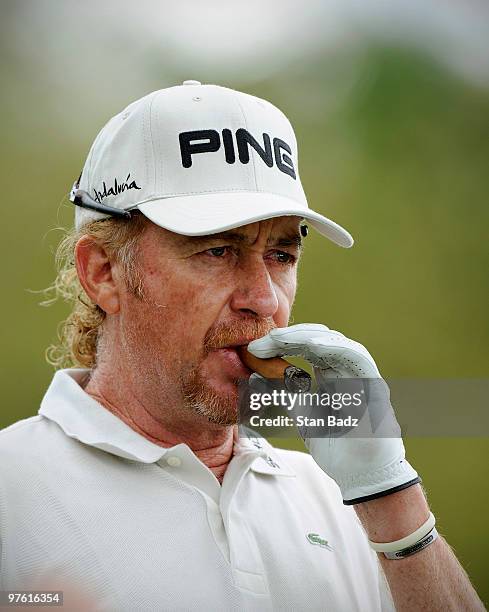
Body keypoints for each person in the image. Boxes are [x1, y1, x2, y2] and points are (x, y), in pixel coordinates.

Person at [0, 81, 483, 611]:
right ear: (104, 272)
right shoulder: (13, 491)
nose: (264, 299)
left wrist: (390, 495)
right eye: (217, 250)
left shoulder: (340, 499)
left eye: (281, 254)